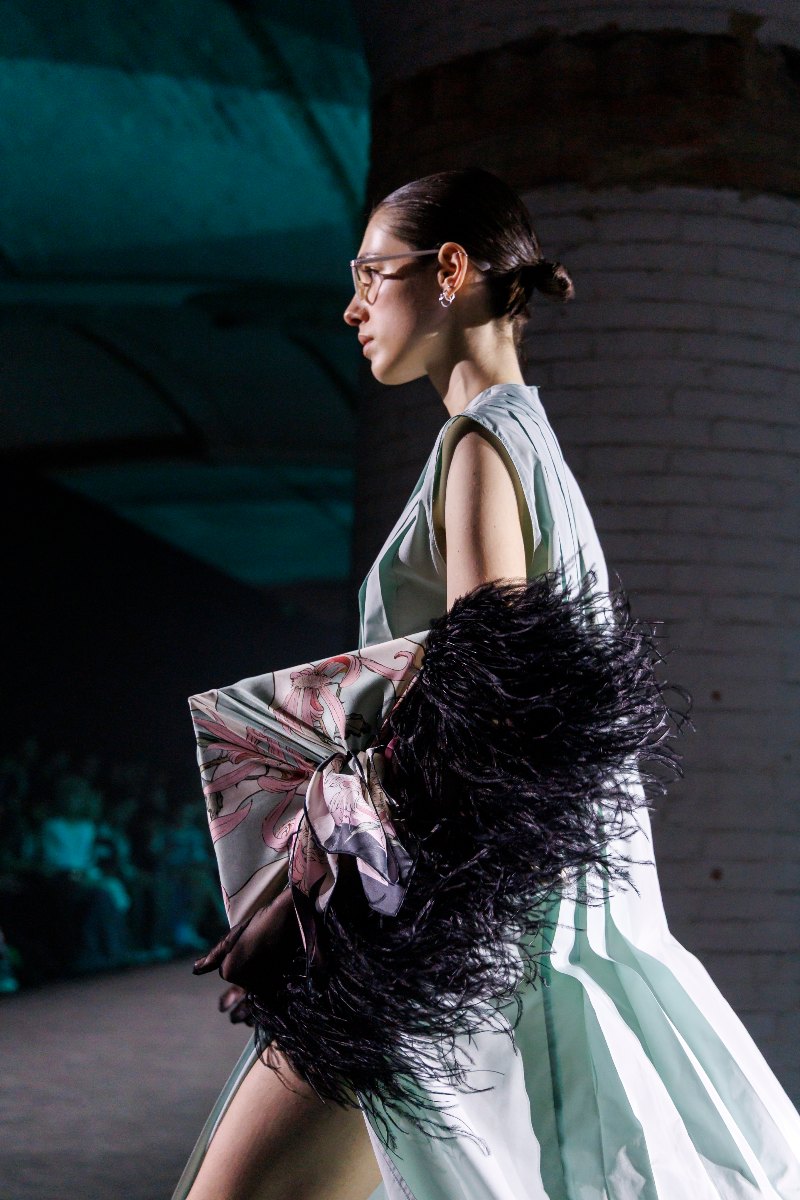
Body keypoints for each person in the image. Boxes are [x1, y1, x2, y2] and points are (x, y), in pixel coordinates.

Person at [174, 169, 800, 1200]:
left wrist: (315, 871)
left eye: (369, 276)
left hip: (443, 943)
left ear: (450, 270)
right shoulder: (523, 445)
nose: (352, 309)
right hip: (491, 928)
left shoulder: (480, 444)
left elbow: (491, 710)